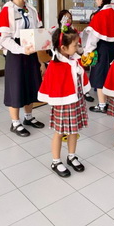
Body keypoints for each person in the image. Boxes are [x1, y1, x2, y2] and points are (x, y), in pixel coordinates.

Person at [0, 0, 45, 137]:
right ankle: (15, 122)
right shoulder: (8, 10)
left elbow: (37, 33)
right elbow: (4, 38)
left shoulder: (32, 10)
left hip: (31, 52)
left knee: (31, 84)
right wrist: (21, 50)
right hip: (16, 54)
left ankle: (28, 117)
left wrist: (40, 59)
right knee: (15, 86)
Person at [37, 26, 89, 178]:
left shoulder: (74, 59)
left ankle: (71, 156)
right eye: (75, 45)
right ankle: (56, 161)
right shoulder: (55, 65)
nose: (78, 47)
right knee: (59, 132)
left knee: (74, 130)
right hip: (62, 103)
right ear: (63, 48)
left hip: (76, 100)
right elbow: (52, 85)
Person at [83, 0, 114, 113]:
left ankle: (102, 105)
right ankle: (110, 103)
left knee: (99, 77)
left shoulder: (99, 15)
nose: (96, 0)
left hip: (101, 49)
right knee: (109, 76)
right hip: (112, 49)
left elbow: (92, 39)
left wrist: (87, 52)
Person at [50, 10, 93, 102]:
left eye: (70, 18)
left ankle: (84, 91)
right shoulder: (56, 31)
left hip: (74, 56)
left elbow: (79, 44)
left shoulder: (74, 30)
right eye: (66, 17)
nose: (68, 20)